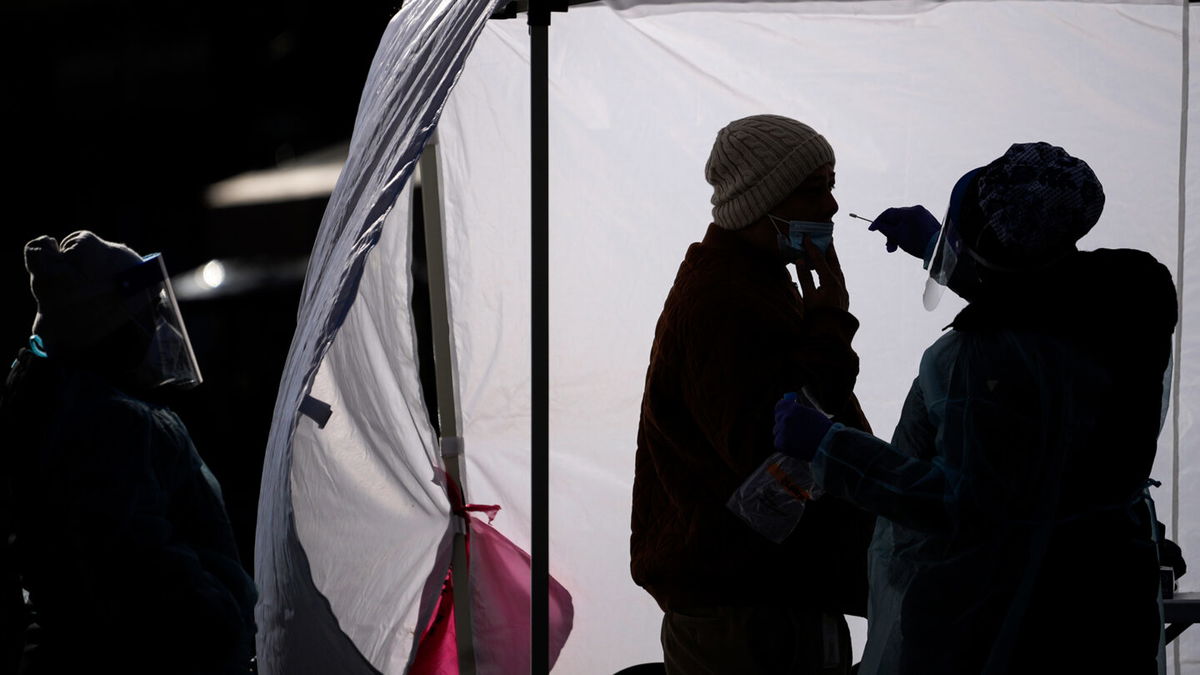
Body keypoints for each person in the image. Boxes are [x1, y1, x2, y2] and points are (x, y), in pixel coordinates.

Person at [773, 142, 1179, 674]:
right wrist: (940, 252)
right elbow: (1039, 297)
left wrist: (829, 446)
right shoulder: (1129, 301)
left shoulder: (978, 364)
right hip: (1107, 603)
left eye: (960, 235)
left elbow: (955, 503)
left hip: (1008, 626)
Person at [631, 114, 876, 674]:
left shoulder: (756, 280)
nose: (833, 207)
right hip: (745, 616)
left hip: (767, 597)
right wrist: (829, 326)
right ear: (762, 201)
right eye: (814, 191)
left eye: (831, 186)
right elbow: (774, 454)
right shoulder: (724, 300)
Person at [0, 231, 257, 674]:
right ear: (107, 326)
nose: (155, 327)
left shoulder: (72, 405)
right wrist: (222, 625)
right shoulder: (104, 424)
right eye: (145, 314)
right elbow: (147, 571)